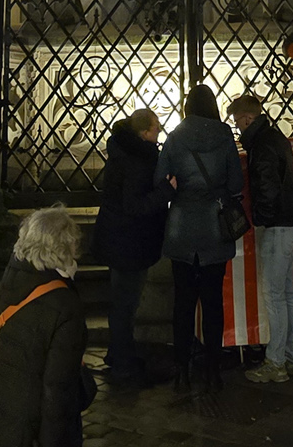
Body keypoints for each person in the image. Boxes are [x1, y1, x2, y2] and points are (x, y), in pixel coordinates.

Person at [0, 207, 90, 447]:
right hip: (31, 428)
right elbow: (57, 393)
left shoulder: (11, 281)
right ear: (63, 247)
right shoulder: (64, 304)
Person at [157, 83, 244, 394]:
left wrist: (178, 188)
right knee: (212, 301)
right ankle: (212, 368)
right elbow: (236, 184)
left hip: (181, 225)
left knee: (183, 301)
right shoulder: (224, 137)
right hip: (213, 229)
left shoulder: (175, 136)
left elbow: (160, 182)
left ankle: (182, 366)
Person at [229, 93, 293, 386]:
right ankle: (292, 357)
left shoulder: (260, 147)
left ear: (247, 118)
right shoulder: (276, 137)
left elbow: (267, 188)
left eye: (238, 121)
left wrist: (261, 218)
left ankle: (276, 363)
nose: (238, 127)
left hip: (277, 226)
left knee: (274, 295)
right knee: (286, 292)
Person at [90, 108, 169, 384]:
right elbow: (135, 205)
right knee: (126, 303)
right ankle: (123, 361)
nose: (159, 131)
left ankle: (119, 353)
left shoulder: (124, 153)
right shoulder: (137, 160)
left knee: (122, 301)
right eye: (156, 128)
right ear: (143, 132)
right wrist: (166, 192)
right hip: (129, 240)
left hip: (121, 238)